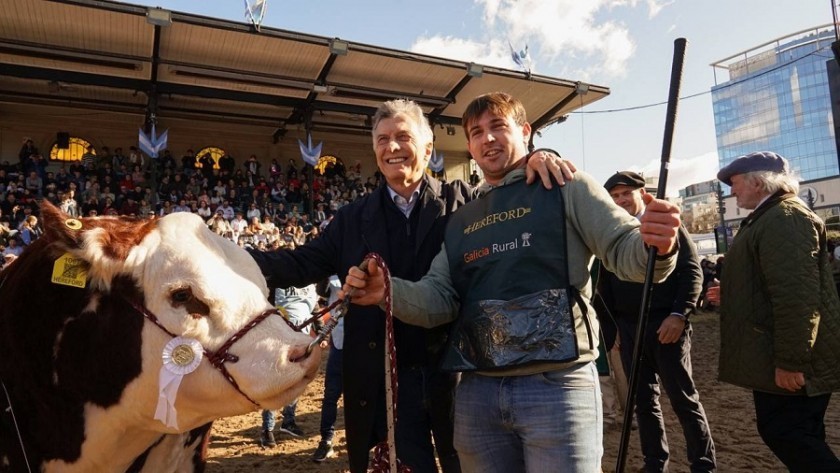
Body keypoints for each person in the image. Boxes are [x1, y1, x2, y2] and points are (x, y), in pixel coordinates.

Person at [344, 92, 681, 473]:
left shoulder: (568, 187)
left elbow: (627, 252)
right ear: (468, 147)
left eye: (497, 127)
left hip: (557, 386)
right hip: (477, 393)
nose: (487, 139)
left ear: (525, 131)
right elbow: (439, 297)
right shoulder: (462, 219)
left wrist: (656, 244)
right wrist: (388, 291)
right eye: (476, 132)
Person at [247, 98, 572, 473]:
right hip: (386, 379)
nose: (392, 147)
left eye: (403, 136)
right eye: (383, 139)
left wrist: (538, 156)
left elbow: (512, 196)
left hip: (460, 374)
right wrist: (226, 256)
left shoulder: (464, 203)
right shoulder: (352, 220)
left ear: (429, 148)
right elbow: (299, 263)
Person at [706, 151, 840, 472]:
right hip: (775, 352)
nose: (731, 192)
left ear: (757, 181)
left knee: (786, 432)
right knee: (799, 433)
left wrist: (792, 362)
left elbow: (798, 297)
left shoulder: (786, 218)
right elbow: (772, 282)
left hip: (789, 359)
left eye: (735, 184)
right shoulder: (771, 217)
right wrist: (735, 291)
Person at [597, 171, 716, 472]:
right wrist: (614, 330)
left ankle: (703, 464)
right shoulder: (612, 231)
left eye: (626, 193)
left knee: (683, 400)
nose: (621, 200)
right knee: (642, 402)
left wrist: (679, 315)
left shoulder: (663, 223)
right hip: (629, 328)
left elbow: (692, 272)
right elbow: (605, 285)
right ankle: (654, 463)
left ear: (641, 193)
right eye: (615, 196)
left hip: (666, 326)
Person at [260, 283, 320, 447]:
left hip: (301, 339)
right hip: (279, 341)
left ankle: (289, 420)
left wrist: (321, 330)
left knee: (296, 380)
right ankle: (267, 429)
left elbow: (314, 307)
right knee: (275, 383)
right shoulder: (278, 278)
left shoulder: (309, 282)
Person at [313, 275, 344, 463]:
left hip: (366, 347)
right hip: (339, 345)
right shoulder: (333, 276)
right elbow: (321, 290)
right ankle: (326, 439)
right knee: (331, 395)